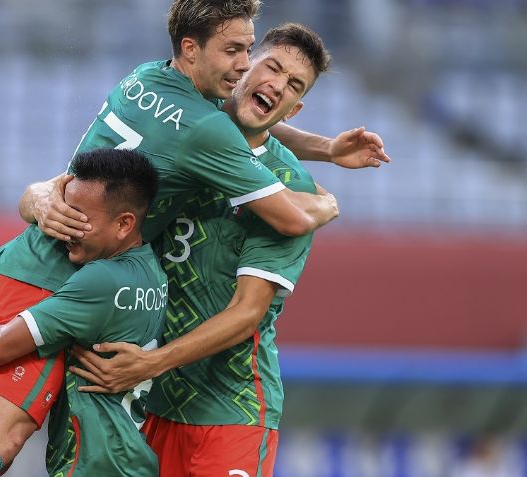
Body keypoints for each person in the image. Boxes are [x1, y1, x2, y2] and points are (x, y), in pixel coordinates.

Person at [70, 23, 333, 476]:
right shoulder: (179, 136)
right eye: (272, 67)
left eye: (294, 85)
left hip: (232, 410)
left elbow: (247, 312)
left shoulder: (288, 188)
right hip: (156, 402)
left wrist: (149, 362)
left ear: (295, 108)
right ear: (245, 65)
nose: (277, 85)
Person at [0, 148, 164, 477]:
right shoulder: (153, 274)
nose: (62, 226)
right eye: (63, 210)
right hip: (132, 462)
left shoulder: (100, 281)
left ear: (124, 224)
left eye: (78, 218)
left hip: (91, 466)